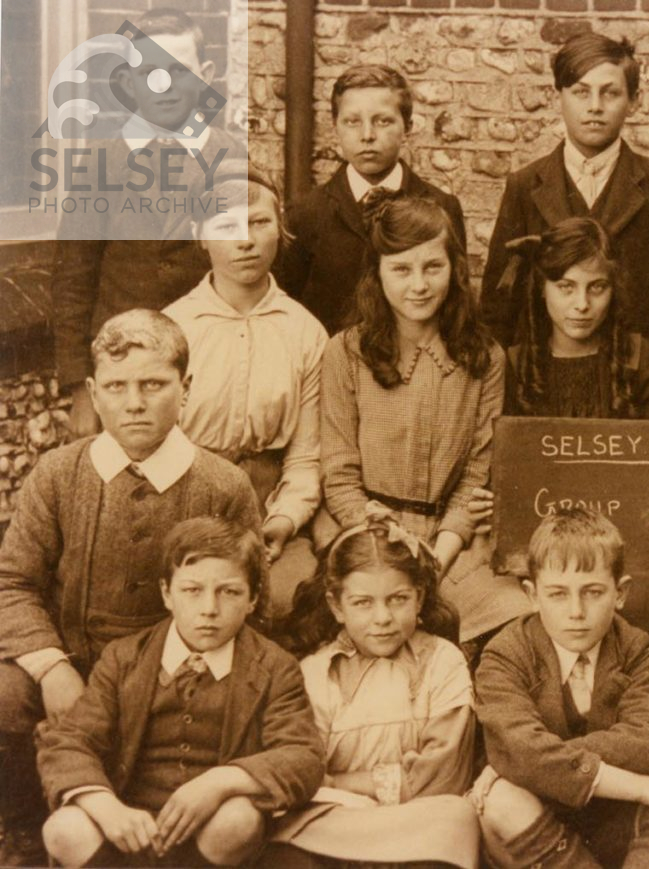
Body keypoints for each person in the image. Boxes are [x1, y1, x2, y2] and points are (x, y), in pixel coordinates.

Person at [0, 310, 260, 853]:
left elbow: (245, 597)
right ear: (94, 393)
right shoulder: (57, 474)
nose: (134, 403)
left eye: (153, 384)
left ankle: (173, 835)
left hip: (175, 671)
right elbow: (13, 584)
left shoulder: (223, 485)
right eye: (116, 387)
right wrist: (50, 668)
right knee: (6, 693)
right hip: (75, 663)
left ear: (185, 388)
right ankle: (25, 832)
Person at [37, 517, 324, 868]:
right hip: (129, 830)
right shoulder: (125, 658)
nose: (209, 609)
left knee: (239, 818)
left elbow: (303, 756)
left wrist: (220, 782)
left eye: (229, 591)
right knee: (64, 828)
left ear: (253, 599)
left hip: (211, 838)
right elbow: (69, 741)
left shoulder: (274, 667)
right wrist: (105, 806)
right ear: (166, 593)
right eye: (192, 590)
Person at [471, 217, 649, 676]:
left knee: (645, 597)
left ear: (614, 290)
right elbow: (495, 463)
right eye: (565, 287)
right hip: (538, 543)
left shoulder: (638, 360)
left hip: (629, 544)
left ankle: (635, 704)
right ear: (542, 290)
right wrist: (490, 498)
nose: (581, 305)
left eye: (597, 288)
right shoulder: (516, 365)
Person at [318, 193, 528, 647]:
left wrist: (443, 548)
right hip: (365, 530)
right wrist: (379, 532)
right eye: (401, 269)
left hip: (453, 543)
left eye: (432, 267)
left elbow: (477, 471)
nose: (419, 285)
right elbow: (338, 474)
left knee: (514, 620)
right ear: (377, 274)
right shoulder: (346, 353)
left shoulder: (484, 357)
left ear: (454, 269)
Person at [469, 509, 649, 869]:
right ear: (533, 595)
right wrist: (642, 788)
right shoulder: (505, 653)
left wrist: (528, 761)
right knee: (501, 800)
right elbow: (522, 752)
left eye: (592, 592)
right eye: (558, 594)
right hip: (542, 815)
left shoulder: (635, 647)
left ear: (620, 592)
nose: (576, 611)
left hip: (611, 812)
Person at [52, 7, 247, 439]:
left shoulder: (231, 156)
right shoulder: (101, 162)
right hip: (122, 373)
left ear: (206, 74)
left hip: (205, 368)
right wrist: (79, 390)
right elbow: (73, 280)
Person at [264, 508, 479, 867]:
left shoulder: (443, 662)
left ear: (420, 597)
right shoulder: (316, 673)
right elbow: (304, 773)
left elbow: (442, 776)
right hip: (337, 819)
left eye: (398, 599)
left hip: (418, 820)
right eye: (363, 603)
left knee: (454, 820)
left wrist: (342, 780)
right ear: (336, 606)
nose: (382, 618)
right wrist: (345, 787)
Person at [165, 165, 327, 618]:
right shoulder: (172, 328)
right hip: (183, 509)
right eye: (226, 226)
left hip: (266, 511)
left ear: (281, 229)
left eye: (260, 222)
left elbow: (305, 457)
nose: (246, 241)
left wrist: (283, 521)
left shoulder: (305, 332)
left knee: (286, 603)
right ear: (201, 235)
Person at [481, 32, 649, 353]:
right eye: (581, 92)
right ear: (559, 97)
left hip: (633, 375)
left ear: (634, 102)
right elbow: (499, 305)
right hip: (544, 372)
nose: (595, 107)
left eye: (610, 93)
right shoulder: (525, 185)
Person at [276, 64, 466, 335]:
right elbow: (290, 309)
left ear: (408, 128)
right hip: (333, 367)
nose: (367, 135)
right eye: (352, 122)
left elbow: (455, 302)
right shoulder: (305, 214)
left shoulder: (441, 206)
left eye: (383, 121)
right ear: (335, 128)